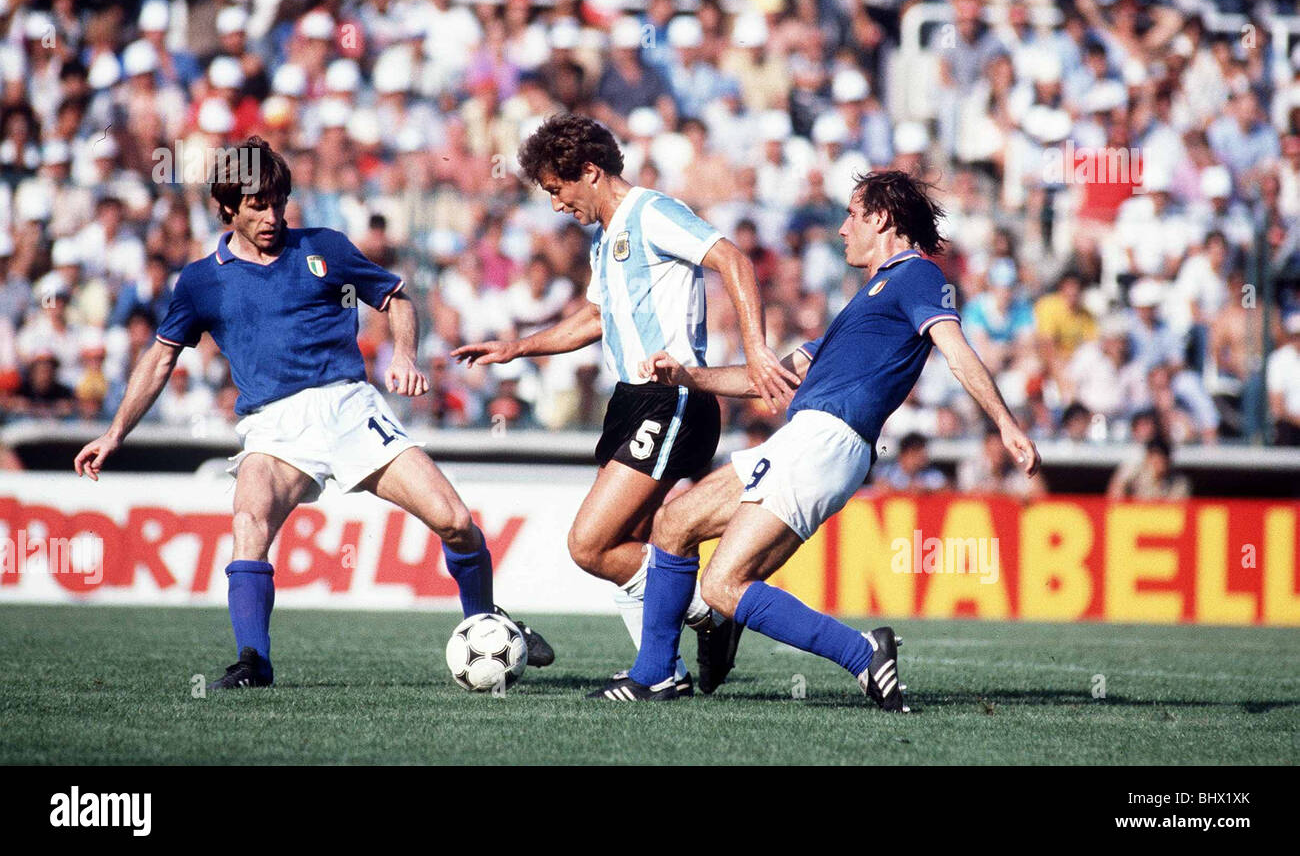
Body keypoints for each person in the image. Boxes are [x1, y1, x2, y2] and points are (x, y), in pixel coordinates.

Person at [74, 137, 551, 689]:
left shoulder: (324, 248)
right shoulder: (203, 280)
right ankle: (253, 661)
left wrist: (402, 353)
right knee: (248, 521)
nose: (272, 216)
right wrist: (114, 433)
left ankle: (486, 623)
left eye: (278, 202)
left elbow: (396, 297)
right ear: (227, 208)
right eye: (257, 205)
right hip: (273, 425)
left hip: (349, 407)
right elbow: (160, 357)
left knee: (455, 521)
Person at [591, 169, 1040, 707]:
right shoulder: (864, 303)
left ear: (881, 218)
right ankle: (656, 672)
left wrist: (1006, 423)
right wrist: (684, 376)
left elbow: (957, 349)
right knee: (673, 523)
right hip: (803, 438)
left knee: (722, 587)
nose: (844, 228)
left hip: (826, 441)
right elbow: (769, 379)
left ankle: (862, 654)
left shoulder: (916, 275)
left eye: (852, 215)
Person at [453, 114, 796, 694]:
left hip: (672, 398)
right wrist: (518, 347)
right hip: (633, 402)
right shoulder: (605, 238)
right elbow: (594, 318)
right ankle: (663, 670)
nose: (557, 205)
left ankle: (708, 617)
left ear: (589, 171)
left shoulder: (652, 213)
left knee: (590, 542)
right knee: (629, 548)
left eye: (558, 190)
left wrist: (758, 351)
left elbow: (733, 259)